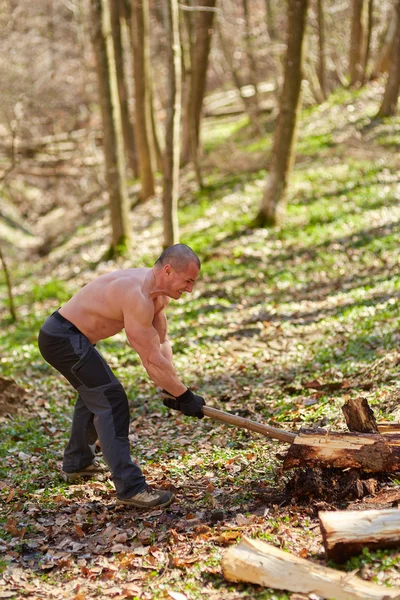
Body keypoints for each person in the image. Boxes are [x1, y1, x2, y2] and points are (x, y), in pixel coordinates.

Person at [38, 244, 205, 509]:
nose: (189, 289)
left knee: (96, 392)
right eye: (187, 281)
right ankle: (131, 488)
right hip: (61, 337)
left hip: (73, 336)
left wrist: (171, 389)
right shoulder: (136, 295)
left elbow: (161, 344)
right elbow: (149, 360)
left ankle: (77, 462)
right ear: (169, 270)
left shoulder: (157, 295)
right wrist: (185, 395)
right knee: (111, 398)